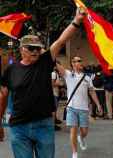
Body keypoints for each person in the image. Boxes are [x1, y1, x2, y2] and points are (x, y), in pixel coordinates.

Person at [0, 8, 85, 158]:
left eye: (38, 49)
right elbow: (3, 96)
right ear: (21, 50)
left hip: (43, 125)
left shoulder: (44, 61)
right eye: (31, 48)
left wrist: (76, 21)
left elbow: (60, 41)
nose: (35, 51)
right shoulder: (11, 70)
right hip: (19, 128)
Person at [56, 56, 103, 158]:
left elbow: (92, 91)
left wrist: (98, 105)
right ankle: (74, 153)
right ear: (73, 63)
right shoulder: (68, 74)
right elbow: (57, 65)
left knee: (84, 131)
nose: (80, 62)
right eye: (78, 61)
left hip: (84, 109)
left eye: (81, 60)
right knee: (73, 130)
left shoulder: (87, 77)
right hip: (71, 108)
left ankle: (81, 138)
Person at [51, 65, 63, 131]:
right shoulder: (53, 73)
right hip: (53, 93)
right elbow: (52, 84)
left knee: (55, 109)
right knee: (53, 109)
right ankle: (53, 125)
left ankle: (55, 120)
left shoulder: (55, 73)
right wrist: (59, 84)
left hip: (55, 93)